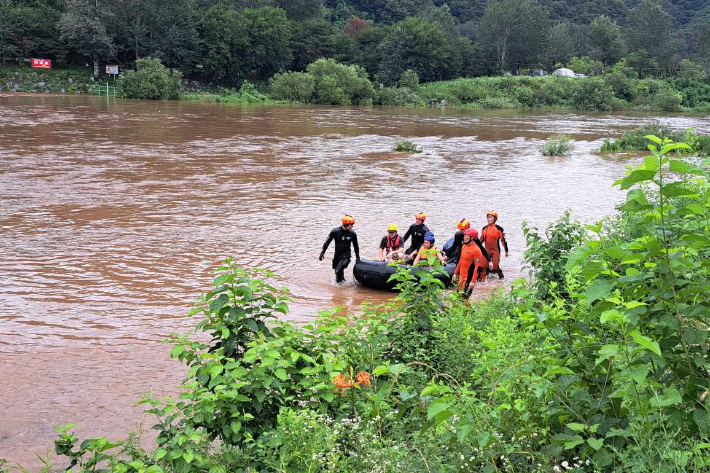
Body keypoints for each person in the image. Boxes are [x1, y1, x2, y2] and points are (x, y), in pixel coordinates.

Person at [320, 215, 360, 284]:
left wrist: (357, 257)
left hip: (346, 256)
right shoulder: (335, 231)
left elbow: (356, 246)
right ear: (345, 224)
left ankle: (338, 288)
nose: (352, 226)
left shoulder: (352, 234)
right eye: (351, 225)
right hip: (337, 255)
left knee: (338, 271)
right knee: (338, 270)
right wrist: (322, 253)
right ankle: (342, 284)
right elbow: (327, 242)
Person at [452, 228, 489, 297]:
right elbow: (460, 260)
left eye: (466, 236)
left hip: (469, 279)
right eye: (464, 236)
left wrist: (473, 281)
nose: (464, 238)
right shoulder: (464, 246)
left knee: (464, 298)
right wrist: (455, 273)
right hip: (461, 277)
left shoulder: (476, 250)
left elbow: (478, 267)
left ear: (472, 238)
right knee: (458, 297)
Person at [480, 210, 509, 279]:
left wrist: (506, 251)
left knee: (495, 267)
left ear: (495, 219)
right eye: (488, 217)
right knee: (483, 267)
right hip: (486, 251)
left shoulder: (499, 229)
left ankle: (501, 280)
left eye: (490, 217)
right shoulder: (484, 229)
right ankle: (482, 284)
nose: (488, 219)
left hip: (495, 251)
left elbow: (503, 241)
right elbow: (480, 241)